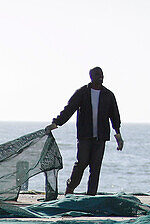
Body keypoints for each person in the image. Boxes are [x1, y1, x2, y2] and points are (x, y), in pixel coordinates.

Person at [46, 67, 123, 196]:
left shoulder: (108, 95)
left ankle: (91, 195)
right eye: (98, 75)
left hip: (101, 137)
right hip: (85, 137)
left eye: (102, 75)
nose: (101, 77)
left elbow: (115, 115)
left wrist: (118, 135)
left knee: (95, 167)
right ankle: (70, 188)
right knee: (81, 163)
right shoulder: (82, 92)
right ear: (91, 77)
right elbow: (69, 109)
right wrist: (56, 123)